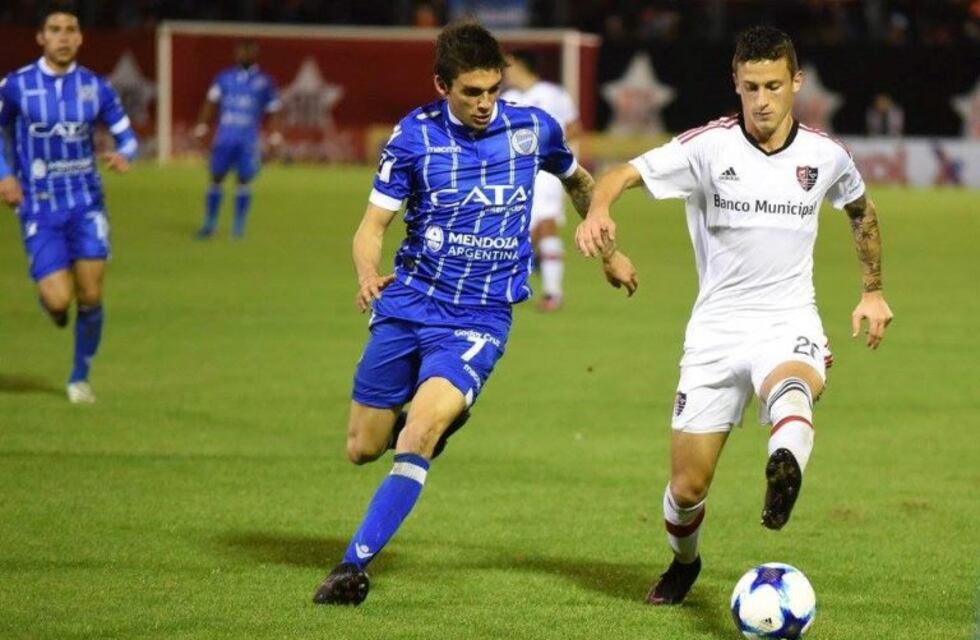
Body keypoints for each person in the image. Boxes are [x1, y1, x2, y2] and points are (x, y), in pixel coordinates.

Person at [312, 21, 637, 606]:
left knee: (420, 430)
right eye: (472, 92)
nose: (486, 104)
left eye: (493, 90)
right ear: (442, 84)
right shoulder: (413, 138)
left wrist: (609, 253)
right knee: (362, 447)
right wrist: (367, 275)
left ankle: (352, 565)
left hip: (480, 315)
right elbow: (371, 226)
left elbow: (578, 179)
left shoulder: (532, 129)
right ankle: (436, 412)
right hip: (409, 302)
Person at [576, 25, 893, 605]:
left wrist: (872, 290)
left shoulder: (824, 156)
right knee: (686, 487)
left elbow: (861, 211)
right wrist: (599, 210)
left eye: (774, 85)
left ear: (796, 82)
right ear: (736, 83)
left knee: (792, 385)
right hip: (716, 331)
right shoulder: (708, 147)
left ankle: (782, 470)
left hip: (788, 317)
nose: (763, 100)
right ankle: (684, 563)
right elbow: (623, 173)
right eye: (751, 87)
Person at [0, 1, 138, 403]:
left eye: (71, 29)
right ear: (41, 37)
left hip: (86, 203)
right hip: (39, 207)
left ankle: (79, 376)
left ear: (80, 38)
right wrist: (5, 174)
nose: (64, 37)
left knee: (92, 294)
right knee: (60, 299)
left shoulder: (96, 87)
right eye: (55, 29)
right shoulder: (16, 85)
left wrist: (124, 153)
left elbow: (128, 136)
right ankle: (55, 308)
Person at [502, 50, 582, 311]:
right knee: (523, 231)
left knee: (546, 226)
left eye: (509, 66)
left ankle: (552, 293)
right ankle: (535, 262)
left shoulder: (553, 94)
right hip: (519, 172)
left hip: (548, 172)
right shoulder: (507, 99)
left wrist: (551, 148)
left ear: (523, 66)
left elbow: (574, 126)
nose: (505, 71)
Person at [192, 40, 281, 239]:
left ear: (254, 54)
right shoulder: (224, 78)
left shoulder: (265, 82)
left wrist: (275, 136)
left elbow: (274, 110)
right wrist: (202, 126)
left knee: (244, 180)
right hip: (224, 137)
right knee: (216, 177)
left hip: (248, 139)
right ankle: (210, 223)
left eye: (246, 51)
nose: (241, 55)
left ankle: (238, 227)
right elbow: (211, 102)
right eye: (240, 51)